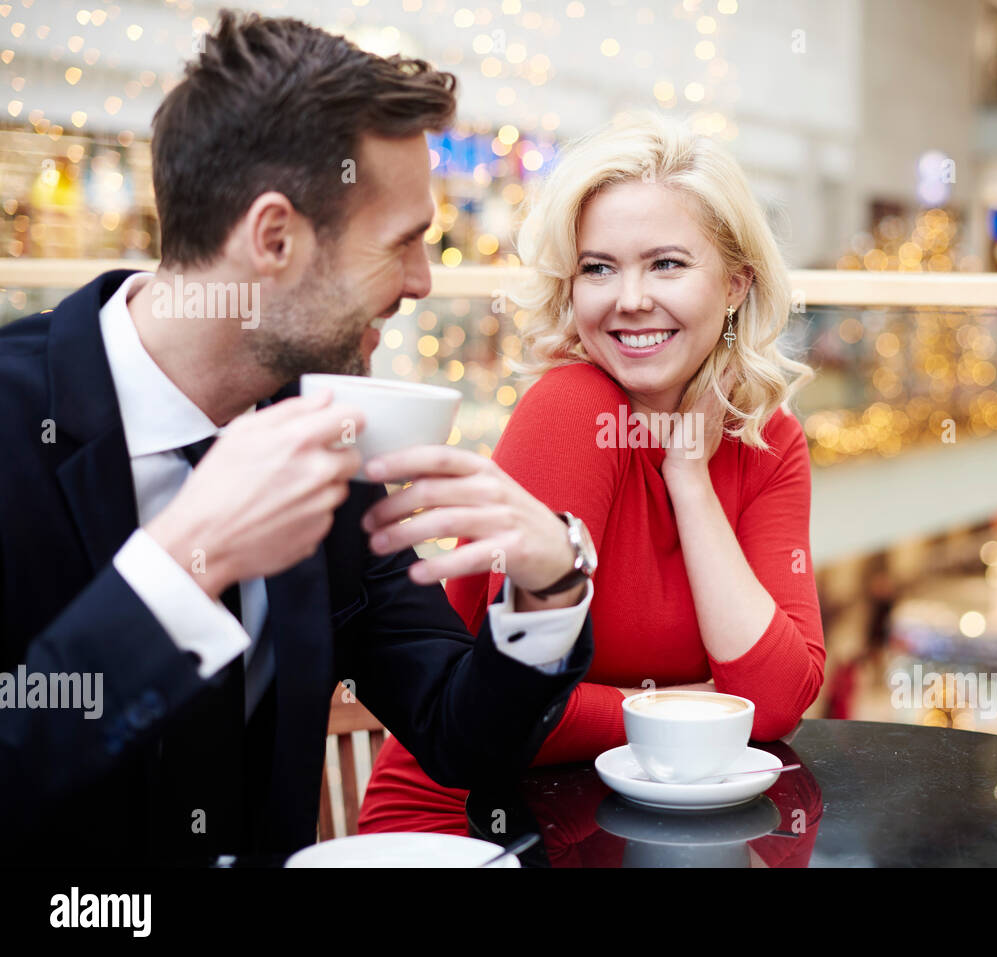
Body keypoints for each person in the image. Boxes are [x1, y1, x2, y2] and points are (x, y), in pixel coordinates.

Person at [0, 10, 601, 865]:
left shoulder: (321, 435)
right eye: (403, 243)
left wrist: (551, 584)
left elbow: (459, 732)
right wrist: (180, 563)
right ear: (274, 237)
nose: (424, 283)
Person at [359, 112, 826, 838]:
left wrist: (689, 474)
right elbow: (520, 713)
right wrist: (697, 705)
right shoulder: (572, 408)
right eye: (597, 267)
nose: (628, 298)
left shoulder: (769, 442)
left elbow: (773, 699)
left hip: (635, 828)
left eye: (666, 263)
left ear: (735, 284)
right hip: (473, 824)